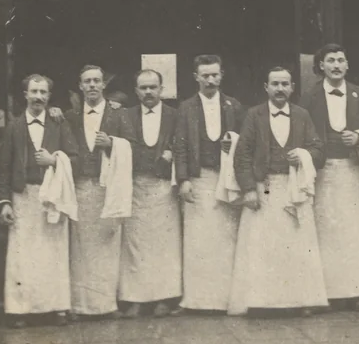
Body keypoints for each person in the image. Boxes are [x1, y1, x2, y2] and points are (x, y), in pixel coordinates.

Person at [227, 66, 328, 316]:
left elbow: (318, 149)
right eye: (275, 84)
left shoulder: (302, 115)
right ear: (266, 87)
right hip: (265, 188)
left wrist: (304, 155)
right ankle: (262, 301)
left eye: (285, 84)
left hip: (293, 187)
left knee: (296, 245)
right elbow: (242, 155)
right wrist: (249, 189)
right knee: (263, 246)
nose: (280, 89)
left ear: (292, 87)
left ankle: (300, 300)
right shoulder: (254, 115)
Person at [302, 44, 359, 310]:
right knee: (325, 230)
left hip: (351, 170)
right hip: (323, 172)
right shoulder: (311, 96)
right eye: (330, 61)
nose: (336, 65)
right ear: (321, 66)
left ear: (347, 65)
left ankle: (356, 293)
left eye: (340, 60)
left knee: (352, 232)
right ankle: (324, 293)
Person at [0, 74, 79, 328]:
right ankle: (20, 310)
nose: (38, 97)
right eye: (34, 91)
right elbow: (4, 167)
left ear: (49, 96)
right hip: (23, 196)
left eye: (43, 92)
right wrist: (4, 202)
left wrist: (54, 161)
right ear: (25, 94)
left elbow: (74, 157)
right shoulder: (14, 126)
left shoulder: (58, 123)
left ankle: (56, 308)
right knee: (23, 255)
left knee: (53, 252)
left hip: (52, 195)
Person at [174, 54, 245, 313]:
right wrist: (183, 180)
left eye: (215, 75)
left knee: (226, 238)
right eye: (205, 75)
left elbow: (245, 143)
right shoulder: (186, 108)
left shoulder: (234, 106)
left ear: (221, 75)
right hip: (199, 177)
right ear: (196, 78)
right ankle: (197, 300)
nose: (211, 80)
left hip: (226, 177)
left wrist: (233, 143)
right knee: (198, 240)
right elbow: (180, 146)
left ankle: (224, 298)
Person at [65, 64, 132, 320]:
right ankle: (81, 306)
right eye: (87, 81)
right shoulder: (70, 117)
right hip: (82, 187)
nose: (92, 85)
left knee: (107, 244)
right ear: (80, 86)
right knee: (82, 247)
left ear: (104, 85)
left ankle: (107, 305)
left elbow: (132, 145)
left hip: (108, 188)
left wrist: (113, 143)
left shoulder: (119, 115)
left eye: (96, 81)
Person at [118, 69, 181, 318]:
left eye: (153, 87)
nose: (148, 92)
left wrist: (172, 153)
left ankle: (163, 299)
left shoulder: (174, 116)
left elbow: (182, 141)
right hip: (135, 185)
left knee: (164, 245)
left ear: (161, 89)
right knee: (135, 244)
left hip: (164, 187)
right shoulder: (125, 116)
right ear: (136, 91)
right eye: (143, 88)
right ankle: (135, 299)